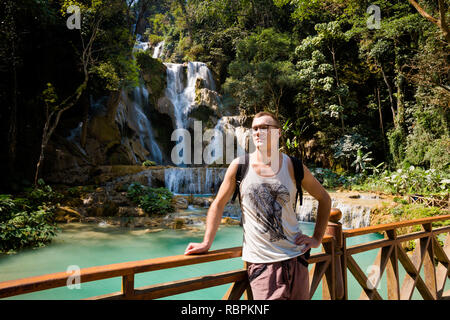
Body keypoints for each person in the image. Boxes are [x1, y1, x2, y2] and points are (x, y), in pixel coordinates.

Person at [184, 111, 331, 300]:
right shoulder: (240, 166)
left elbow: (325, 199)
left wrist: (317, 238)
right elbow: (218, 205)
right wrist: (206, 242)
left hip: (297, 259)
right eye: (254, 128)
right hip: (262, 264)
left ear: (278, 133)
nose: (257, 132)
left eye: (264, 127)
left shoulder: (293, 166)